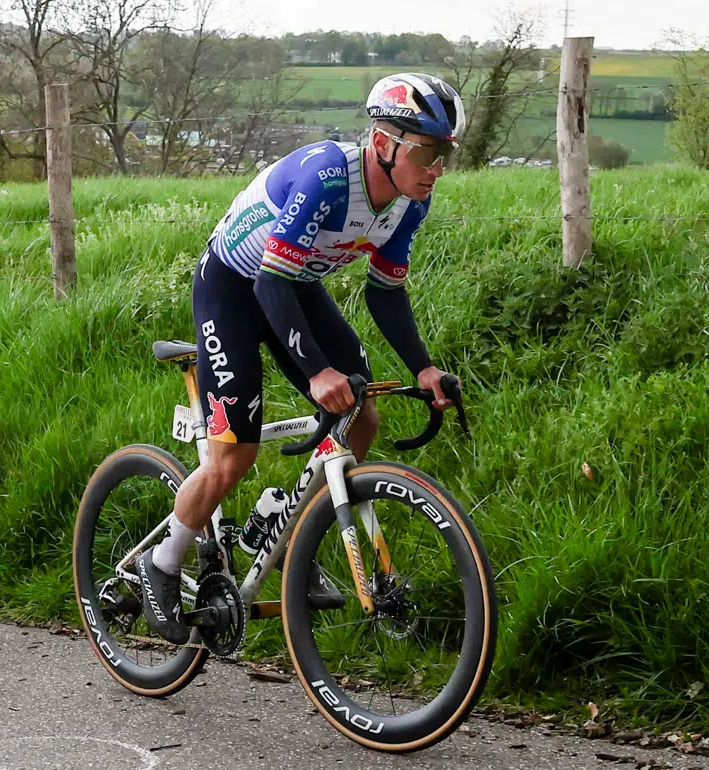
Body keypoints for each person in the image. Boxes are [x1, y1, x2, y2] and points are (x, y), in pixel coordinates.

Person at [137, 73, 465, 643]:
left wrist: (424, 368)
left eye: (445, 154)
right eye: (426, 151)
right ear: (383, 143)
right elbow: (267, 283)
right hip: (234, 288)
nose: (436, 167)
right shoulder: (327, 178)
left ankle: (284, 530)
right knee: (232, 457)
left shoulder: (410, 201)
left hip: (294, 284)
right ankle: (160, 563)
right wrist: (317, 371)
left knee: (360, 416)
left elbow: (385, 292)